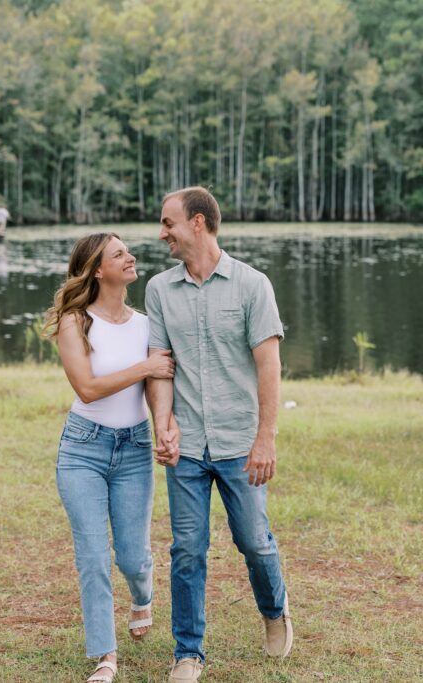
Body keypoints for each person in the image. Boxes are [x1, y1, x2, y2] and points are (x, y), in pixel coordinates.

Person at [144, 187, 293, 683]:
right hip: (187, 445)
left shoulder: (252, 285)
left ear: (200, 223)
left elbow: (268, 366)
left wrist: (265, 437)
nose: (162, 233)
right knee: (187, 548)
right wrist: (163, 425)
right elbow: (161, 368)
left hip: (238, 441)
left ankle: (274, 612)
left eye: (169, 223)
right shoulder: (160, 290)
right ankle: (188, 653)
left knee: (253, 540)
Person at [43, 232, 180, 683]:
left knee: (133, 558)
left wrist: (163, 425)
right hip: (82, 449)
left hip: (135, 449)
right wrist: (145, 366)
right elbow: (87, 387)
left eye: (128, 251)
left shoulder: (145, 324)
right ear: (98, 270)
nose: (131, 257)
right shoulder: (75, 322)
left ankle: (143, 596)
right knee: (93, 555)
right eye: (119, 253)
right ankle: (106, 656)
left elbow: (160, 384)